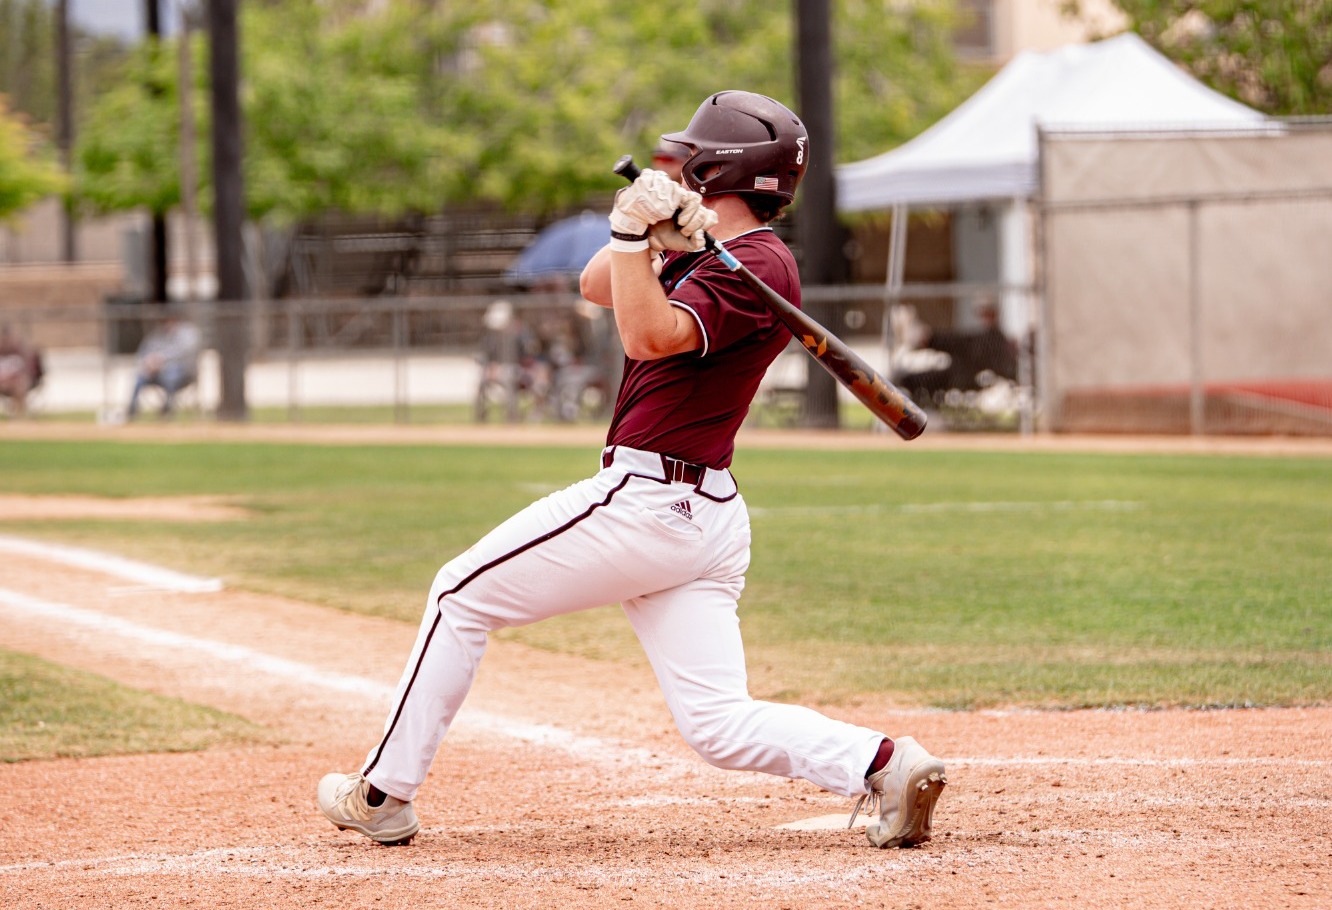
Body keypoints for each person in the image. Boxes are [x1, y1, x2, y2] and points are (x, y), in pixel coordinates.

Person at [315, 90, 946, 851]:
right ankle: (884, 764)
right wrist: (646, 235)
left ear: (718, 169)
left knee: (458, 595)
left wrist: (638, 234)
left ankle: (383, 794)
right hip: (699, 515)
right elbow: (595, 287)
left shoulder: (758, 263)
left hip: (646, 502)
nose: (677, 168)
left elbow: (648, 337)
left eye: (690, 160)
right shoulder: (708, 247)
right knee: (717, 724)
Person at [125, 310, 201, 419]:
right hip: (156, 372)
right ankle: (132, 411)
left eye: (170, 320)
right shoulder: (157, 335)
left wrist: (162, 360)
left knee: (170, 375)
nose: (167, 323)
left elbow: (184, 352)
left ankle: (168, 409)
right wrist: (149, 362)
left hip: (182, 371)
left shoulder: (188, 333)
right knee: (140, 378)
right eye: (164, 320)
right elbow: (143, 352)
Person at [0, 324, 43, 418]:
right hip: (5, 382)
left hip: (20, 381)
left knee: (19, 385)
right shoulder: (2, 352)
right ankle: (16, 413)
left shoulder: (20, 351)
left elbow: (29, 371)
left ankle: (20, 414)